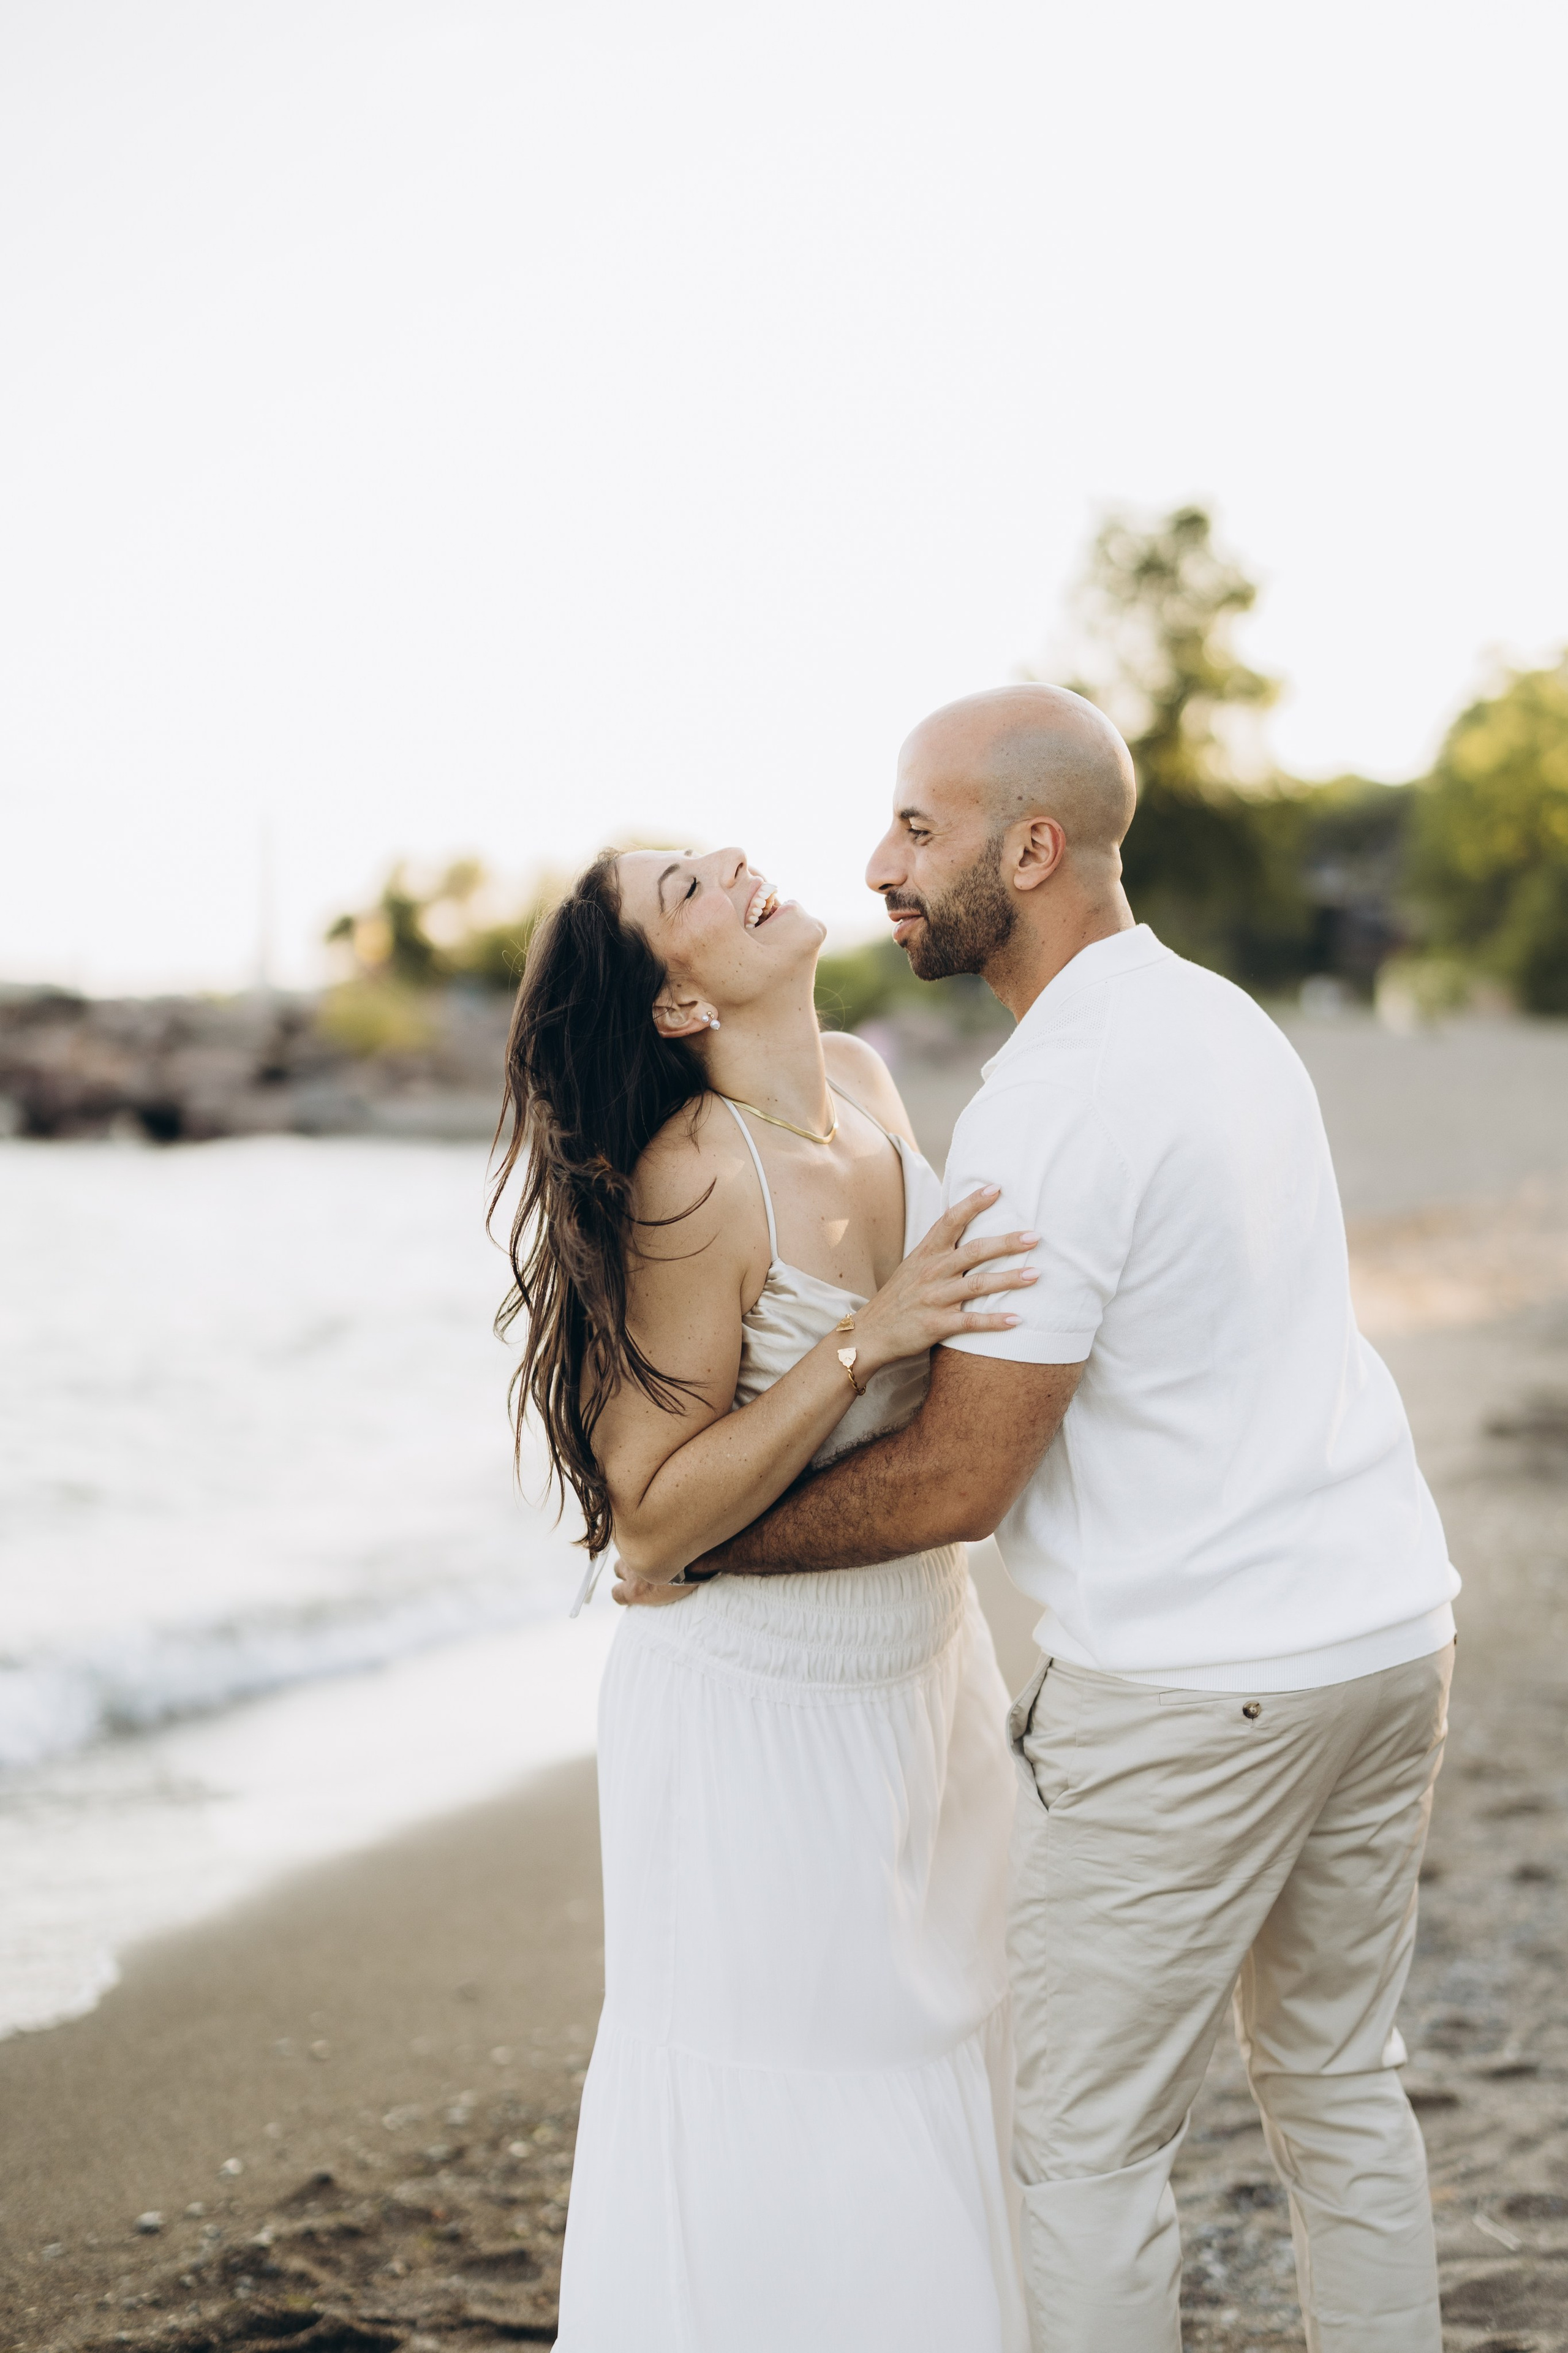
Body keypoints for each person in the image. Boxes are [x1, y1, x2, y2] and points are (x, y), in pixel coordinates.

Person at [619, 685, 1460, 2353]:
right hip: (1387, 1633)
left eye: (918, 833)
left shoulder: (1054, 1098)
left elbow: (960, 1479)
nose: (880, 866)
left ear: (1034, 845)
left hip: (1198, 1690)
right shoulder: (1221, 1021)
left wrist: (708, 1544)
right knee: (1343, 2095)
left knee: (1082, 2149)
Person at [491, 845, 1037, 2350]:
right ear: (673, 1001)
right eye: (684, 888)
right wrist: (864, 1339)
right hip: (754, 1721)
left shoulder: (863, 1077)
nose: (730, 861)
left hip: (926, 1670)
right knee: (800, 2098)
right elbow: (651, 1523)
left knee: (942, 2056)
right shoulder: (692, 1178)